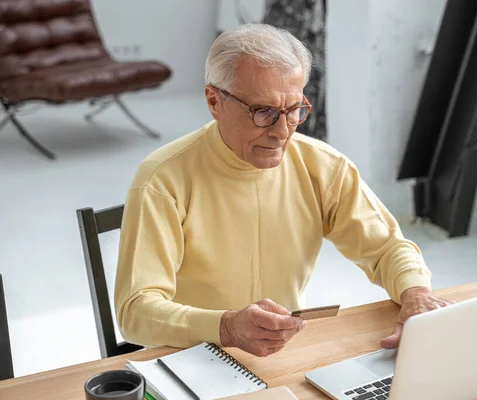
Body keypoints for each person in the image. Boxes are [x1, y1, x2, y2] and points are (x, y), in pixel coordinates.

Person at [114, 23, 453, 358]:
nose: (282, 133)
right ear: (214, 101)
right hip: (187, 358)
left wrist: (416, 292)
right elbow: (136, 313)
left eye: (293, 111)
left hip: (280, 352)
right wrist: (227, 327)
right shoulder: (162, 180)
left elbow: (387, 249)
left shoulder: (323, 166)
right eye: (263, 112)